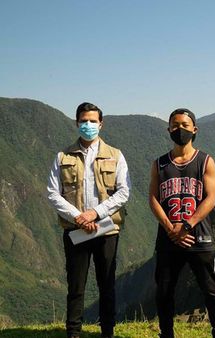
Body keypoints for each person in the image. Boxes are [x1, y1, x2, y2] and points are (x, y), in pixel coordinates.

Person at [47, 102, 130, 338]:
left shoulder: (116, 155)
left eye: (93, 121)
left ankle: (107, 331)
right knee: (76, 285)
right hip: (76, 229)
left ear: (101, 124)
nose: (88, 125)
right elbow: (53, 193)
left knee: (107, 284)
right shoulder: (63, 156)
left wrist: (95, 214)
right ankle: (74, 332)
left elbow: (124, 192)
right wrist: (79, 217)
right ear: (76, 123)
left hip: (107, 229)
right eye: (84, 121)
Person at [148, 108, 215, 338]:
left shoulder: (205, 161)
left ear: (194, 129)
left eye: (184, 125)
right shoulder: (159, 164)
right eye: (175, 125)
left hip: (198, 236)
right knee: (164, 290)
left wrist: (187, 225)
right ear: (169, 129)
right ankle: (166, 333)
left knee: (211, 289)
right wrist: (171, 228)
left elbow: (211, 198)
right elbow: (153, 198)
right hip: (168, 237)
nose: (179, 129)